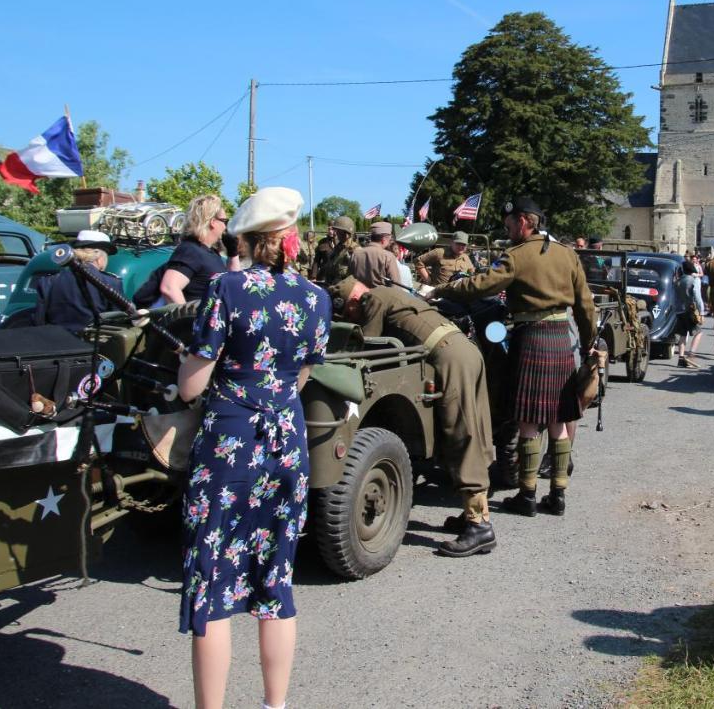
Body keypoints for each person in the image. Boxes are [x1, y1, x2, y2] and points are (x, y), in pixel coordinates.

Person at [176, 187, 330, 709]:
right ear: (289, 238)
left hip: (230, 443)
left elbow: (191, 387)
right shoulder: (316, 297)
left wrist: (194, 363)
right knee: (277, 577)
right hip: (286, 439)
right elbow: (303, 372)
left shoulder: (227, 289)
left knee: (214, 579)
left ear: (246, 239)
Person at [431, 197, 596, 518]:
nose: (507, 230)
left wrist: (441, 291)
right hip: (562, 338)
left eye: (509, 225)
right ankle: (558, 495)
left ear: (523, 221)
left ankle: (528, 495)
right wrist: (588, 343)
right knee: (559, 420)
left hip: (531, 338)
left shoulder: (518, 255)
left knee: (528, 422)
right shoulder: (567, 254)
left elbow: (480, 285)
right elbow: (585, 305)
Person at [331, 276, 497, 556]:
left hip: (450, 357)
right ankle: (471, 513)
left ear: (354, 302)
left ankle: (480, 527)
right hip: (461, 350)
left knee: (462, 433)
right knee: (473, 428)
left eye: (350, 313)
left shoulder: (372, 300)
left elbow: (367, 349)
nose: (352, 317)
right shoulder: (388, 292)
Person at [34, 230, 121, 333]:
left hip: (55, 344)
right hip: (93, 346)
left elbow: (39, 321)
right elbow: (118, 323)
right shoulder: (112, 283)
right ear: (100, 259)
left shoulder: (48, 281)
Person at [161, 194, 241, 304]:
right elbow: (169, 288)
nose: (225, 227)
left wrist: (233, 253)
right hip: (198, 319)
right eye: (224, 221)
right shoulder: (191, 250)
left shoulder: (210, 252)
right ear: (213, 222)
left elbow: (234, 284)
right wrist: (190, 319)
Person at [315, 216, 358, 287]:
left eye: (338, 231)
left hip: (344, 289)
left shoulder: (355, 250)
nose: (336, 233)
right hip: (332, 286)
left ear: (346, 233)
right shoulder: (338, 248)